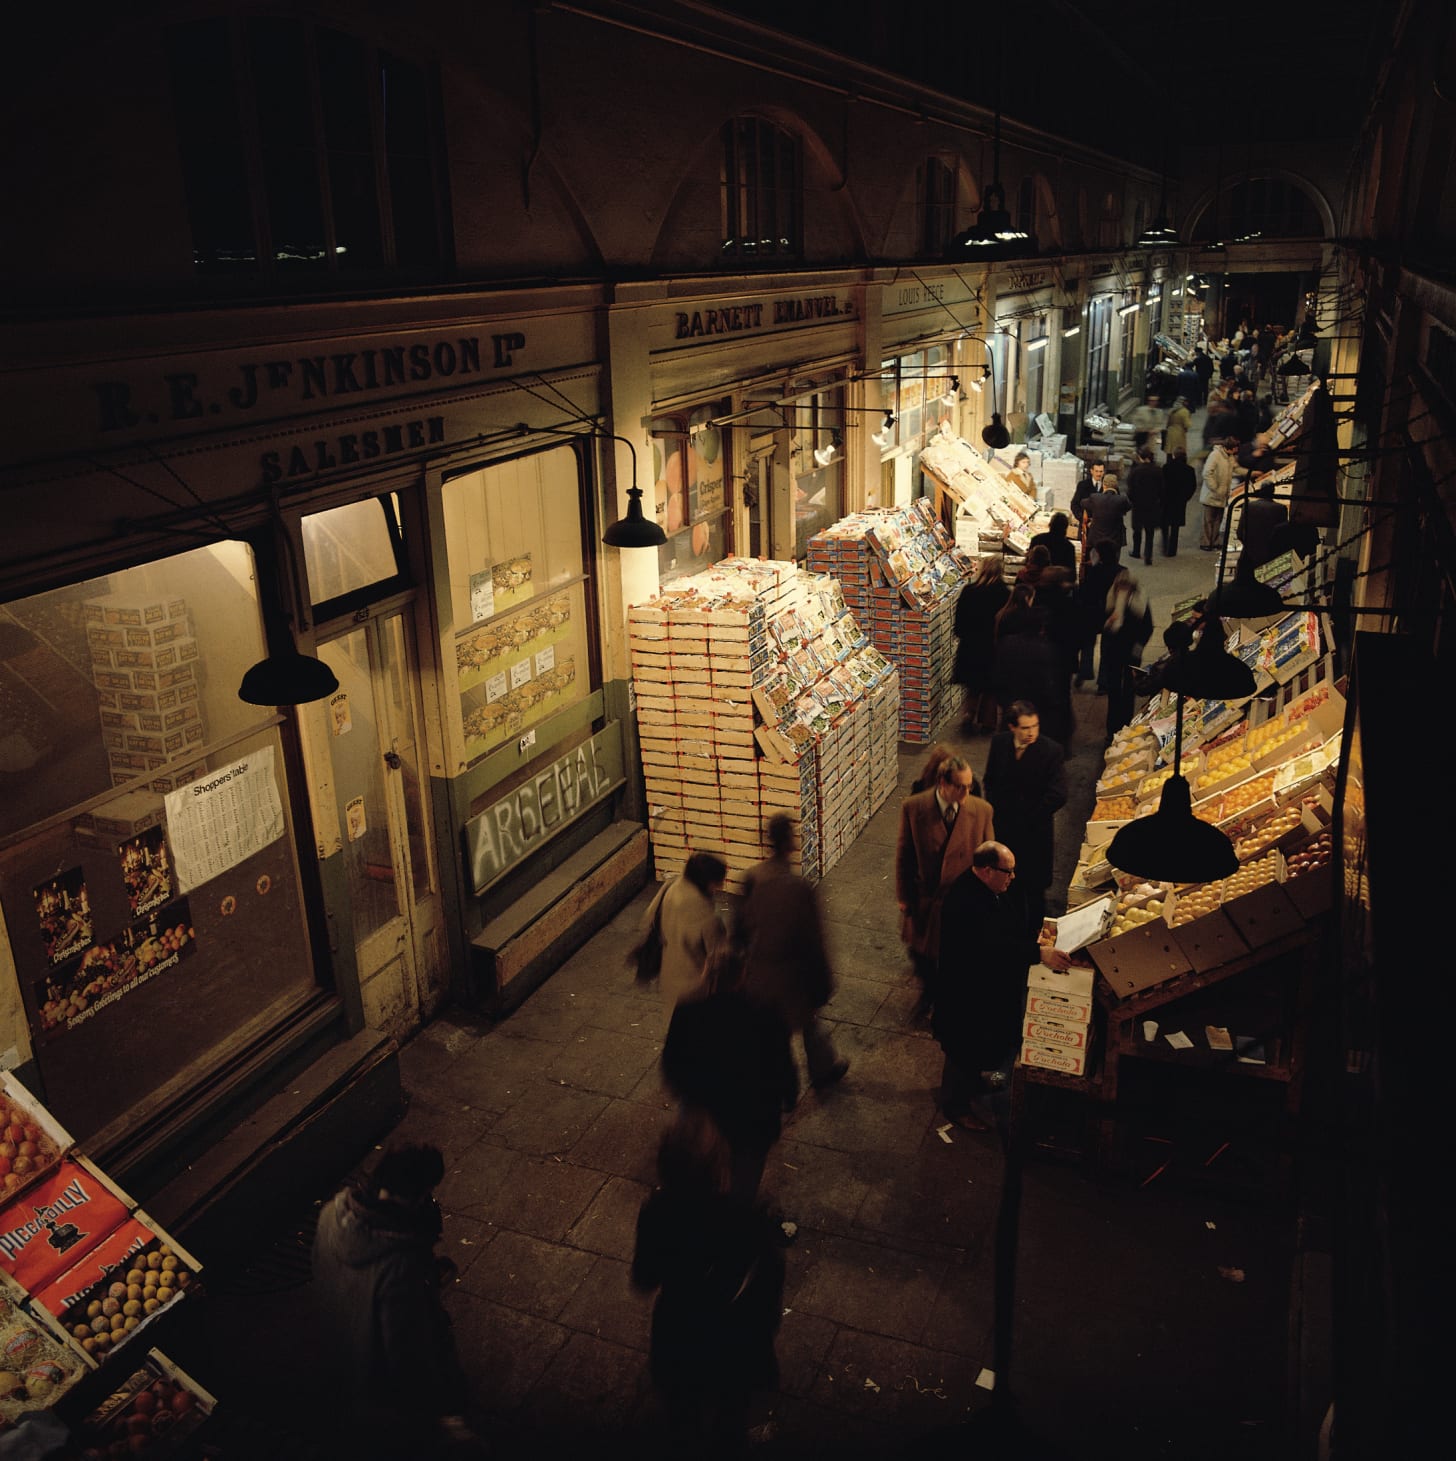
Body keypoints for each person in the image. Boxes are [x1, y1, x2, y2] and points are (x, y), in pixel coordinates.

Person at [632, 1110, 784, 1456]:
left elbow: (643, 1278)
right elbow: (769, 1286)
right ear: (722, 1171)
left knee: (683, 1416)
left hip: (679, 1336)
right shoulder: (750, 1219)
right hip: (734, 1346)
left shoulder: (657, 1213)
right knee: (730, 1415)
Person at [312, 1142, 478, 1459]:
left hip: (342, 1345)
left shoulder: (332, 1213)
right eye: (427, 1192)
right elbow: (407, 1353)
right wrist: (442, 1408)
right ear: (413, 1196)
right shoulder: (399, 1268)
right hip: (379, 1387)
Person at [933, 841, 1073, 1130]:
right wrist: (1039, 953)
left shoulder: (990, 889)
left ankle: (971, 1084)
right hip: (967, 995)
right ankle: (956, 1107)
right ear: (986, 871)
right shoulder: (966, 902)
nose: (1012, 877)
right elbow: (993, 946)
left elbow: (1005, 928)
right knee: (964, 1049)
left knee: (976, 1046)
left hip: (983, 990)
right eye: (1007, 872)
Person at [660, 940, 798, 1204]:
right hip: (751, 1120)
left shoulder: (688, 1010)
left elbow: (672, 1063)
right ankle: (736, 1222)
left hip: (705, 1118)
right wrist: (787, 1097)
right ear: (740, 977)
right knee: (743, 1187)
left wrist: (691, 1097)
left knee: (700, 1179)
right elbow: (781, 1065)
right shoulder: (765, 1015)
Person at [738, 814, 848, 1090]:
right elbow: (813, 941)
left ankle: (784, 1084)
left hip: (760, 975)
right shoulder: (800, 889)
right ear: (790, 844)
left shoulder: (751, 879)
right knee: (809, 1023)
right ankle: (821, 1070)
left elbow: (738, 928)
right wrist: (823, 982)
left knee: (776, 1034)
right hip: (793, 977)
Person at [895, 755, 995, 1014]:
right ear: (943, 783)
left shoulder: (982, 811)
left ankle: (947, 1001)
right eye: (960, 786)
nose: (966, 792)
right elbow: (904, 855)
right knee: (922, 954)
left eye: (969, 786)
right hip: (926, 899)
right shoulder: (914, 808)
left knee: (956, 957)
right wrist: (904, 896)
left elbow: (989, 858)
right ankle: (929, 993)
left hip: (962, 901)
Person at [981, 702, 1067, 936]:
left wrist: (1031, 816)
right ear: (1012, 727)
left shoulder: (1051, 751)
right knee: (1004, 883)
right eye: (1025, 728)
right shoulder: (999, 744)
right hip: (1005, 830)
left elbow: (1058, 795)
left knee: (1033, 889)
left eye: (1035, 726)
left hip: (1034, 833)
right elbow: (990, 779)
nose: (1031, 732)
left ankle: (1034, 935)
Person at [655, 851, 727, 1009]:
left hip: (670, 975)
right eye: (718, 882)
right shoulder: (707, 917)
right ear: (708, 882)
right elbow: (717, 957)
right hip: (695, 987)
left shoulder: (671, 888)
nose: (720, 886)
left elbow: (650, 920)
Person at [992, 608, 1068, 746]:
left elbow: (997, 674)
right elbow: (1050, 684)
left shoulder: (1006, 643)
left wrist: (1002, 701)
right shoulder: (1046, 649)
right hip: (1035, 709)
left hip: (1011, 706)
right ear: (1041, 628)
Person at [953, 555, 1010, 732]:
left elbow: (959, 622)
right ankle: (988, 722)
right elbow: (1006, 623)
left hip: (970, 647)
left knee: (973, 687)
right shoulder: (1005, 593)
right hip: (993, 648)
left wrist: (963, 635)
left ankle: (968, 715)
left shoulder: (969, 591)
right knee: (991, 688)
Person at [1101, 567, 1154, 739]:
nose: (1122, 590)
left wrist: (1138, 647)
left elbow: (1147, 627)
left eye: (1125, 587)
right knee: (1114, 690)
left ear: (1132, 588)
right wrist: (1108, 624)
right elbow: (1102, 625)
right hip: (1113, 652)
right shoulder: (1110, 600)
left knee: (1129, 689)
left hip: (1131, 653)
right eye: (1119, 587)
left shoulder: (1140, 602)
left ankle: (1125, 724)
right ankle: (1112, 729)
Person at [1075, 540, 1121, 689]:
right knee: (1107, 648)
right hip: (1112, 614)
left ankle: (1084, 672)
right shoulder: (1121, 571)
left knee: (1088, 644)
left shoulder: (1095, 571)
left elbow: (1085, 592)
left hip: (1092, 612)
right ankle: (1103, 682)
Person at [1235, 476, 1289, 578]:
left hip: (1249, 554)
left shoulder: (1249, 506)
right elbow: (1283, 535)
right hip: (1270, 556)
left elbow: (1240, 532)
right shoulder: (1280, 509)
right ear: (1273, 492)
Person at [1079, 469, 1132, 560]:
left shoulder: (1095, 497)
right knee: (1113, 562)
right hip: (1115, 538)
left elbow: (1082, 503)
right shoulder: (1122, 500)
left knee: (1096, 563)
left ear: (1104, 485)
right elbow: (1128, 507)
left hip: (1096, 537)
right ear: (1116, 486)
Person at [1126, 447, 1164, 566]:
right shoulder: (1158, 470)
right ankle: (1148, 556)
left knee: (1137, 530)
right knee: (1150, 532)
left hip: (1138, 505)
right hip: (1152, 505)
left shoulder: (1136, 471)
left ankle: (1136, 551)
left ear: (1141, 458)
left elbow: (1130, 489)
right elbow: (1162, 489)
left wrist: (1132, 501)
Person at [1199, 436, 1236, 552]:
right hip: (1212, 495)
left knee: (1217, 520)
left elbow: (1235, 469)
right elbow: (1206, 473)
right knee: (1208, 520)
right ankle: (1206, 542)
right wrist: (1215, 488)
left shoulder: (1230, 457)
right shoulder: (1215, 455)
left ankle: (1214, 542)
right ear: (1230, 448)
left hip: (1222, 495)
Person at [1161, 448, 1197, 557]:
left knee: (1165, 523)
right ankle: (1172, 550)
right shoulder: (1189, 470)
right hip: (1180, 501)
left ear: (1174, 456)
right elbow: (1192, 486)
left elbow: (1161, 483)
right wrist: (1186, 498)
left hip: (1167, 499)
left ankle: (1165, 545)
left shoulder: (1166, 468)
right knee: (1175, 526)